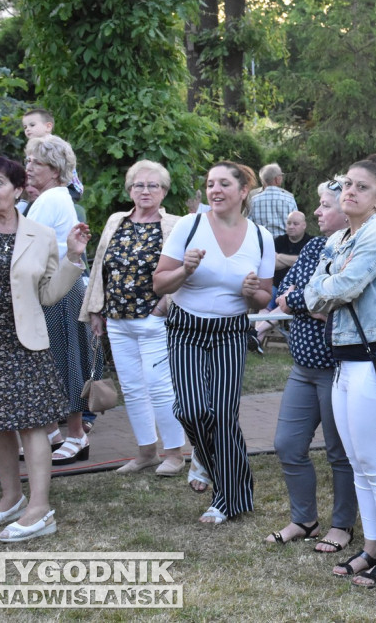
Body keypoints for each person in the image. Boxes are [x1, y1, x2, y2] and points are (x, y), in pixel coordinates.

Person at [304, 157, 376, 588]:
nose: (349, 191)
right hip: (347, 359)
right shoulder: (341, 236)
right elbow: (313, 297)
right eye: (347, 184)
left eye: (361, 187)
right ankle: (371, 549)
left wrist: (329, 284)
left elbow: (344, 288)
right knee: (359, 462)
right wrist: (329, 283)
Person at [0, 156, 90, 542]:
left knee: (31, 423)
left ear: (18, 189)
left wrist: (73, 257)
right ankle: (11, 497)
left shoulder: (40, 235)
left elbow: (48, 294)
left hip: (25, 342)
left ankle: (40, 507)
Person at [153, 161, 275, 525]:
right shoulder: (188, 227)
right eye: (210, 184)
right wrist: (184, 271)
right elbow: (160, 284)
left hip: (230, 333)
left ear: (242, 192)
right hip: (186, 329)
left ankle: (227, 498)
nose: (215, 190)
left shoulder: (260, 237)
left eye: (224, 184)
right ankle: (205, 460)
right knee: (190, 411)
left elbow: (265, 299)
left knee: (222, 415)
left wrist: (252, 293)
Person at [265, 181, 357, 550]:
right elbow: (287, 294)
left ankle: (342, 525)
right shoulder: (315, 246)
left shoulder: (356, 249)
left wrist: (305, 302)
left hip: (338, 369)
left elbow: (334, 303)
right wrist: (305, 302)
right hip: (303, 367)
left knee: (340, 452)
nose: (317, 212)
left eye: (324, 205)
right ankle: (304, 520)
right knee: (287, 445)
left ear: (346, 209)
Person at [79, 160, 185, 476]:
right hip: (118, 320)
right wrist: (96, 310)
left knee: (159, 387)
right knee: (133, 388)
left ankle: (175, 454)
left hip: (155, 320)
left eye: (153, 185)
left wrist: (165, 304)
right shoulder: (116, 221)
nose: (145, 190)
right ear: (129, 189)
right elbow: (100, 267)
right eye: (139, 184)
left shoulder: (177, 224)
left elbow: (187, 270)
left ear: (164, 191)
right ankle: (146, 452)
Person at [24, 135, 97, 464]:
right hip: (54, 288)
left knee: (66, 360)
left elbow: (25, 244)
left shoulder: (53, 198)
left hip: (62, 290)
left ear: (54, 169)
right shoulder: (49, 197)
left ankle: (77, 435)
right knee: (50, 360)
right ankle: (53, 433)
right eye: (28, 161)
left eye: (35, 162)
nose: (28, 167)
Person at [252, 210, 313, 348]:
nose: (291, 226)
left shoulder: (310, 243)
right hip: (275, 285)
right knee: (265, 303)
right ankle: (256, 342)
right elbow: (270, 265)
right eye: (289, 223)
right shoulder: (278, 241)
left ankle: (255, 334)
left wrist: (279, 257)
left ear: (304, 225)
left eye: (295, 223)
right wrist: (296, 260)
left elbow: (306, 264)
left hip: (295, 289)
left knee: (285, 302)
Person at [22, 108, 84, 200]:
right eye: (25, 127)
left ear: (48, 126)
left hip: (69, 188)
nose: (28, 129)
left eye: (32, 125)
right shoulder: (32, 149)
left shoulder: (56, 147)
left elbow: (65, 173)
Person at [248, 163, 297, 238]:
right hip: (284, 243)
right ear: (277, 179)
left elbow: (248, 224)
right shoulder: (289, 199)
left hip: (261, 242)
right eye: (281, 175)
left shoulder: (254, 200)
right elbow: (296, 223)